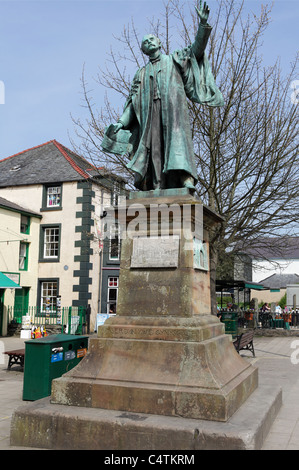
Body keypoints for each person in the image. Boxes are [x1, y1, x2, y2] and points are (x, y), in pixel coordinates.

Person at [103, 1, 224, 191]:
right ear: (143, 50)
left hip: (173, 113)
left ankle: (185, 178)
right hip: (150, 116)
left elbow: (196, 51)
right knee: (154, 151)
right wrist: (121, 122)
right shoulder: (140, 74)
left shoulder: (175, 60)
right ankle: (154, 185)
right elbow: (132, 104)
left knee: (177, 144)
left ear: (159, 43)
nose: (149, 42)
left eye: (152, 39)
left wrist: (202, 26)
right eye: (145, 42)